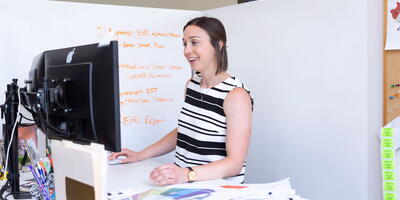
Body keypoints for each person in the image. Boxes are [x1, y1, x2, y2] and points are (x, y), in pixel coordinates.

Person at [109, 16, 253, 185]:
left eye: (194, 42)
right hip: (185, 187)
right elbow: (185, 130)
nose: (187, 50)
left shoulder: (236, 95)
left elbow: (234, 164)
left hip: (217, 190)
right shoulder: (192, 85)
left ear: (218, 45)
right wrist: (140, 155)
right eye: (185, 43)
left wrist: (186, 174)